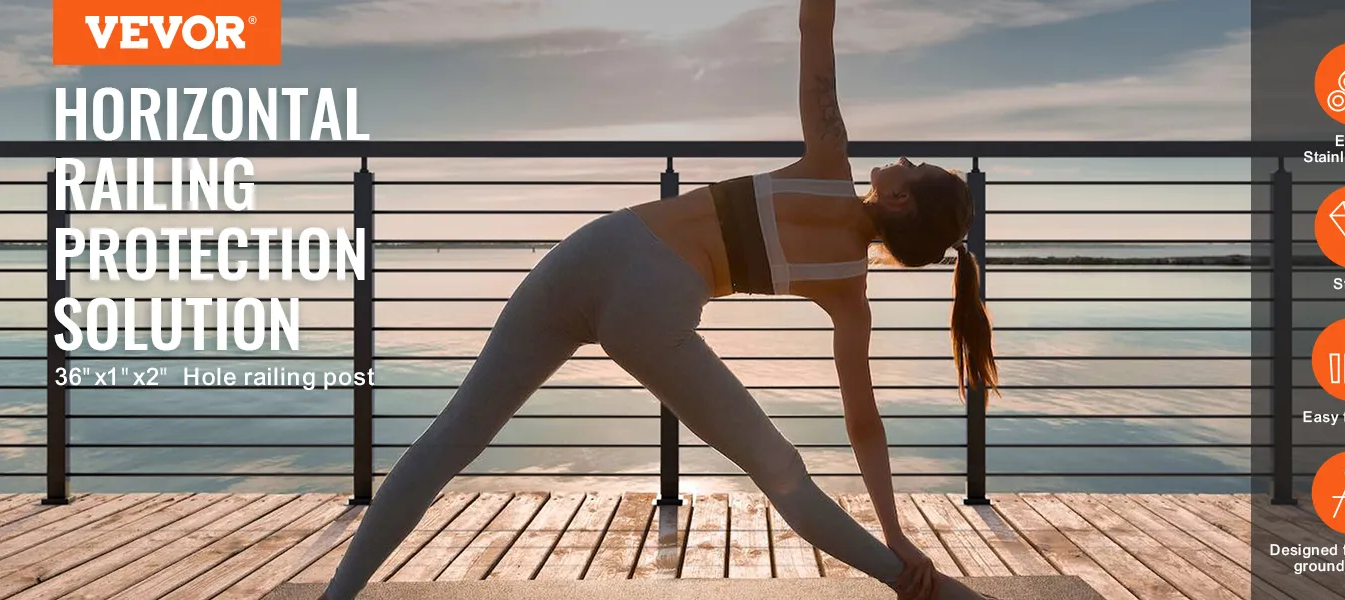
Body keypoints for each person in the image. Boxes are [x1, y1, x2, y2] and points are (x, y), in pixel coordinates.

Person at [318, 1, 998, 599]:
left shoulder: (829, 157)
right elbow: (864, 427)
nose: (904, 161)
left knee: (449, 440)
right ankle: (909, 582)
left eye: (914, 168)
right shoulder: (849, 294)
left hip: (595, 250)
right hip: (654, 309)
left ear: (903, 198)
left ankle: (338, 595)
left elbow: (813, 20)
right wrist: (896, 534)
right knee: (780, 470)